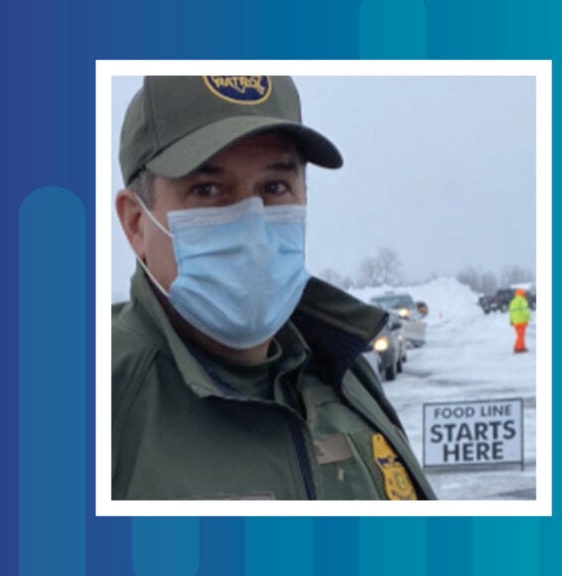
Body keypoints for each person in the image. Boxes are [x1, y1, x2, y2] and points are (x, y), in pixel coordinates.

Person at [111, 76, 435, 500]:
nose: (254, 227)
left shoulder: (343, 371)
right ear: (136, 223)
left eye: (275, 188)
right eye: (207, 190)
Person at [508, 288, 532, 354]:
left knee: (520, 335)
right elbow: (525, 311)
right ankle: (517, 348)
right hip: (522, 321)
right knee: (521, 336)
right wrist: (529, 318)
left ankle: (522, 347)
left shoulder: (512, 301)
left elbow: (511, 313)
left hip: (515, 322)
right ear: (522, 294)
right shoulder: (522, 301)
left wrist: (511, 321)